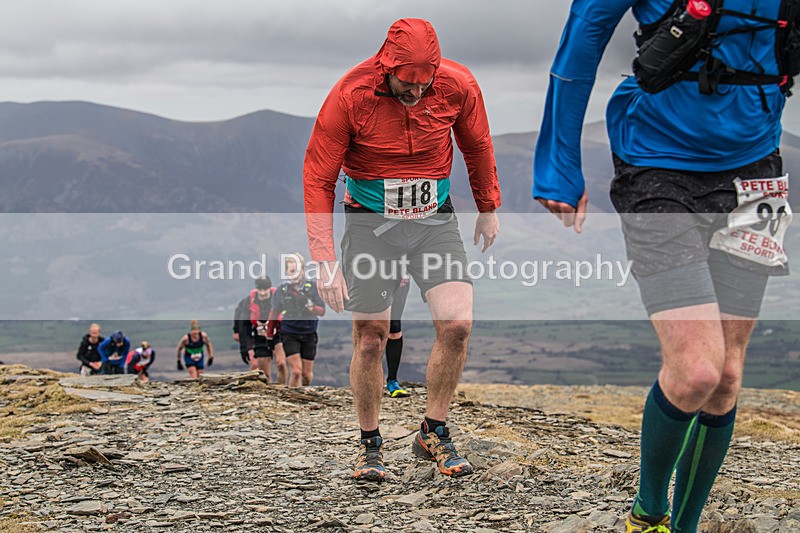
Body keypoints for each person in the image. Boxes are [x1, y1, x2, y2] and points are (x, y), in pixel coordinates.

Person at [534, 1, 793, 530]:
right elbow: (583, 38)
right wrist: (559, 165)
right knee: (696, 369)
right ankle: (648, 513)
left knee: (726, 374)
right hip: (656, 164)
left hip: (758, 174)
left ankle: (685, 526)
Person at [303, 18, 501, 482]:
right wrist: (324, 261)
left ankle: (433, 430)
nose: (415, 93)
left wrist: (489, 205)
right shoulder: (349, 95)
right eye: (405, 84)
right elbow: (318, 179)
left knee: (457, 325)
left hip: (434, 221)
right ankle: (370, 445)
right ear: (385, 67)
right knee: (371, 337)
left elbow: (477, 145)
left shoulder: (458, 84)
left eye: (423, 83)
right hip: (371, 226)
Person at [267, 254, 325, 387]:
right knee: (296, 371)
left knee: (306, 374)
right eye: (292, 271)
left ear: (303, 270)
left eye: (298, 270)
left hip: (309, 332)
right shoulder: (281, 291)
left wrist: (310, 306)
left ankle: (305, 393)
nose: (296, 274)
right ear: (286, 272)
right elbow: (274, 313)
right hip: (289, 332)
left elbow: (321, 311)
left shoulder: (312, 287)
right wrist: (270, 335)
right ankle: (292, 400)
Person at [238, 276, 288, 384]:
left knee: (281, 364)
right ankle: (268, 396)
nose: (263, 293)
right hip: (260, 337)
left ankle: (282, 388)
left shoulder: (278, 298)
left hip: (277, 335)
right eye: (260, 290)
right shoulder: (250, 301)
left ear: (269, 288)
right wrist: (244, 348)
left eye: (265, 289)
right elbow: (243, 325)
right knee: (264, 374)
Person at [386, 276, 411, 398]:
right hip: (373, 271)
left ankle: (392, 381)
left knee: (394, 326)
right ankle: (365, 381)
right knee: (369, 330)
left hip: (400, 276)